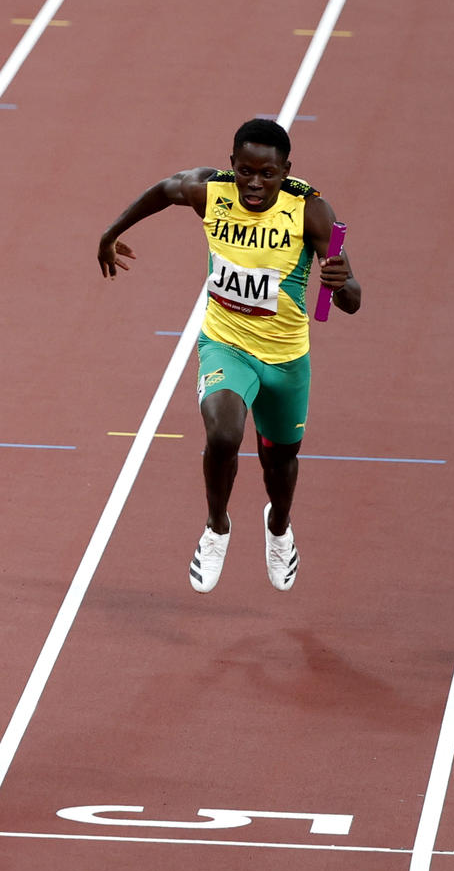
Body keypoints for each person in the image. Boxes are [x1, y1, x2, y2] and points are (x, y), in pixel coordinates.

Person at [96, 118, 360, 593]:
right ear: (231, 165)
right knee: (222, 433)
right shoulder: (209, 192)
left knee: (280, 463)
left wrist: (343, 286)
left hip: (285, 359)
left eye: (267, 174)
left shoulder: (310, 212)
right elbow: (163, 190)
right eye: (245, 171)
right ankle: (216, 526)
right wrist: (110, 234)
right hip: (225, 343)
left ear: (286, 171)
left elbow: (350, 299)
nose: (254, 184)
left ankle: (279, 527)